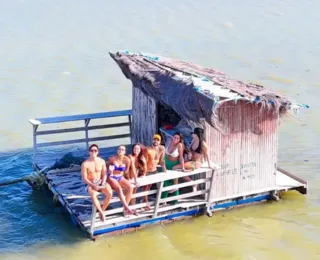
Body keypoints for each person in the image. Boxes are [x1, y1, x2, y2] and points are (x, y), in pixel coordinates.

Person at [81, 144, 112, 222]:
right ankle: (102, 213)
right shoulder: (85, 164)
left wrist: (103, 182)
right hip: (91, 183)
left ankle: (102, 210)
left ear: (98, 152)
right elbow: (84, 178)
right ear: (89, 152)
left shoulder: (102, 161)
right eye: (92, 150)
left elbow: (105, 174)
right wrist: (93, 185)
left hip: (100, 181)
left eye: (95, 150)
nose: (93, 152)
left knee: (110, 193)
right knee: (93, 194)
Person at [106, 145, 136, 216]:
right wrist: (110, 171)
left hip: (120, 177)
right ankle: (127, 208)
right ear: (117, 150)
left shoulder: (127, 160)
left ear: (125, 151)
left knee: (130, 187)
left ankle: (125, 208)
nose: (120, 151)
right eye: (119, 149)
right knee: (119, 188)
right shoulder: (112, 159)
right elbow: (107, 169)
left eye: (122, 150)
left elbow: (126, 171)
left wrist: (130, 179)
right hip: (112, 177)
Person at [142, 134, 166, 210]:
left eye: (157, 140)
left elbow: (162, 161)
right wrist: (144, 173)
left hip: (155, 170)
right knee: (147, 187)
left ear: (160, 141)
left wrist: (165, 170)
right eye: (154, 139)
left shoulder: (162, 148)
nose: (155, 141)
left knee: (160, 185)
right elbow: (144, 162)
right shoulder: (148, 149)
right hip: (147, 171)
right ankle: (145, 202)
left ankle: (161, 200)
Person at [161, 132, 186, 199]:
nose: (176, 139)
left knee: (173, 183)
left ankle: (174, 201)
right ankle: (164, 200)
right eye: (175, 137)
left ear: (179, 139)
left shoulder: (179, 145)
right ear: (172, 137)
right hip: (166, 163)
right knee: (164, 182)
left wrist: (183, 167)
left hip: (173, 164)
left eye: (178, 138)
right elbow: (164, 153)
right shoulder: (169, 142)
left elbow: (181, 157)